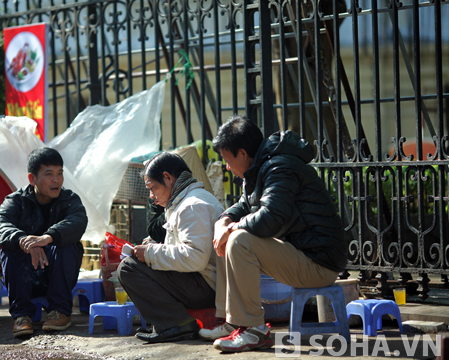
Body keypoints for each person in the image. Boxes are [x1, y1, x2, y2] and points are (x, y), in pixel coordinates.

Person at [200, 115, 347, 352]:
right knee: (225, 238)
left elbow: (271, 217)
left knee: (238, 240)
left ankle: (255, 330)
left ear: (243, 154)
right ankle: (232, 322)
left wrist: (232, 228)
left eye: (227, 160)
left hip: (319, 263)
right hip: (300, 254)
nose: (227, 166)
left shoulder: (280, 167)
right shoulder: (259, 168)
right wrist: (223, 221)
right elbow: (244, 207)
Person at [117, 152, 224, 343]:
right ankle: (176, 323)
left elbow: (194, 257)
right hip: (203, 281)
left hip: (207, 286)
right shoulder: (183, 201)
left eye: (152, 188)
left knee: (128, 268)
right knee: (133, 263)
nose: (151, 196)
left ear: (168, 177)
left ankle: (176, 324)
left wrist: (150, 253)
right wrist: (153, 247)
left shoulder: (192, 205)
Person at [0, 147, 88, 338]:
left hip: (58, 273)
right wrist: (24, 240)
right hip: (25, 276)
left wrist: (47, 238)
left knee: (68, 243)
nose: (56, 180)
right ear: (32, 179)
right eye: (49, 174)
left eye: (60, 173)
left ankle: (60, 311)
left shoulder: (69, 200)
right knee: (10, 249)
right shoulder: (16, 201)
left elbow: (78, 221)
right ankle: (22, 315)